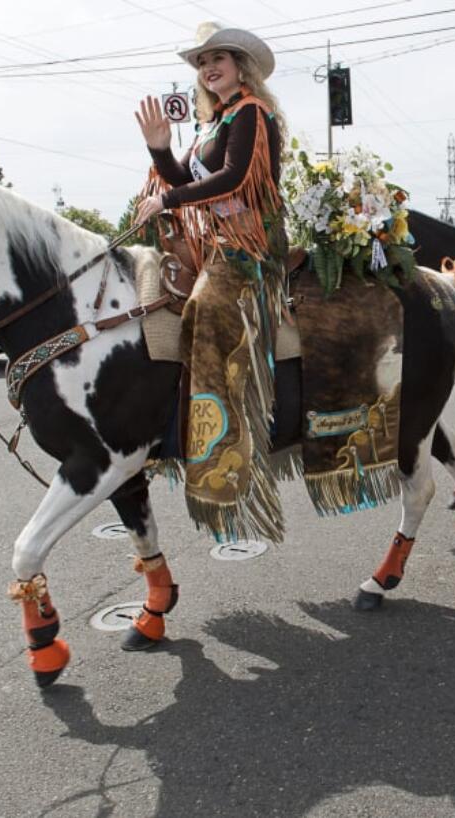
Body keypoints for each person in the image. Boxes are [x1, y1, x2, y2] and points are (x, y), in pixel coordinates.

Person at [134, 23, 289, 542]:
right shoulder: (210, 123)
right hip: (214, 243)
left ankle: (218, 440)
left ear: (241, 67)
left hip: (250, 247)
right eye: (202, 62)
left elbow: (236, 177)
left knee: (203, 306)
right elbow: (182, 179)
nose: (207, 68)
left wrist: (170, 200)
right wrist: (160, 150)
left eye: (217, 57)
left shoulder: (250, 113)